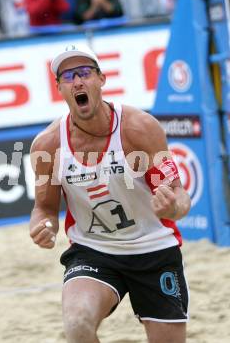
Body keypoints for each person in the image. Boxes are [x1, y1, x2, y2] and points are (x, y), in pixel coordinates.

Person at [29, 44, 191, 343]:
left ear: (101, 80)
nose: (77, 81)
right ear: (59, 88)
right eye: (68, 76)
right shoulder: (48, 145)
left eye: (85, 73)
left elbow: (178, 196)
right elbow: (45, 208)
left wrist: (171, 207)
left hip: (153, 248)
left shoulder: (137, 129)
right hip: (94, 250)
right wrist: (44, 227)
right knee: (77, 325)